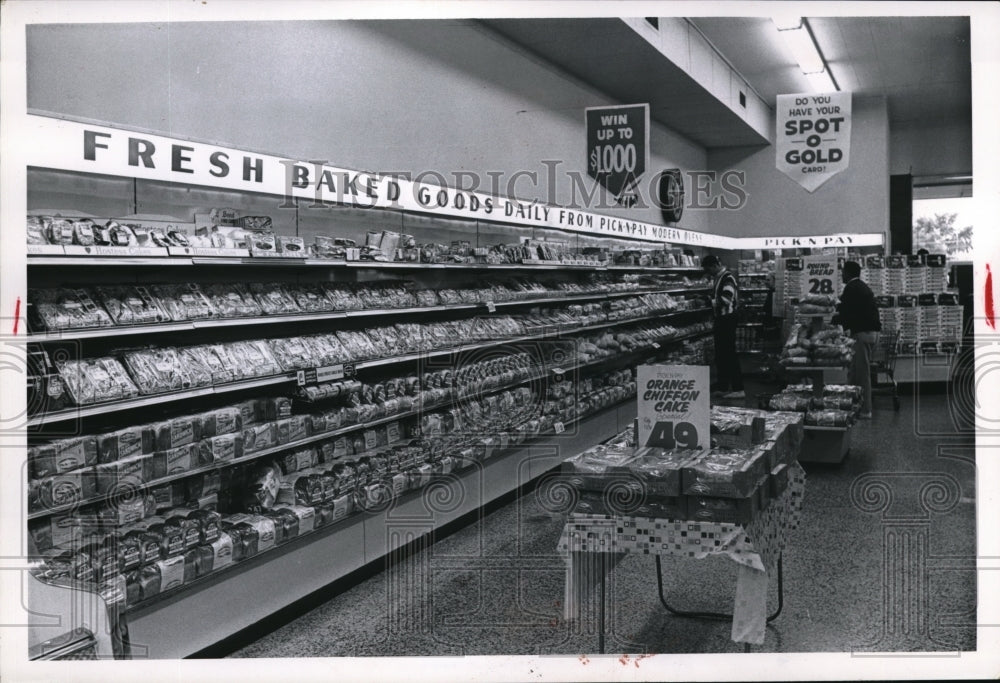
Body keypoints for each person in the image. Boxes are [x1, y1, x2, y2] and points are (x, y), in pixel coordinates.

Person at [831, 260, 881, 418]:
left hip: (862, 334)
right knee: (854, 372)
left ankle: (866, 410)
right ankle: (852, 405)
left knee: (861, 373)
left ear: (848, 273)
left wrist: (830, 322)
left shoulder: (851, 288)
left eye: (843, 272)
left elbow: (845, 312)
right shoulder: (861, 286)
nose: (841, 275)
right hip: (869, 333)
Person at [701, 254, 744, 399]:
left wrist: (709, 301)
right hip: (721, 319)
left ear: (714, 265)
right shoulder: (719, 278)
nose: (708, 273)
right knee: (721, 355)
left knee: (729, 354)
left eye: (709, 269)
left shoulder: (727, 278)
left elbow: (726, 299)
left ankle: (738, 388)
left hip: (727, 319)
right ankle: (723, 386)